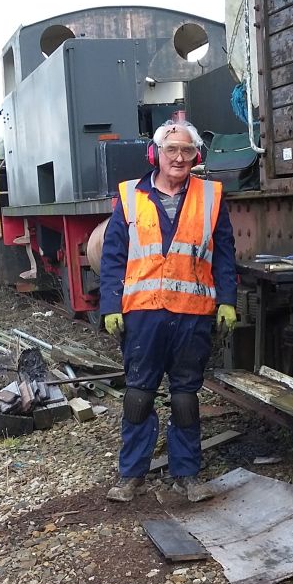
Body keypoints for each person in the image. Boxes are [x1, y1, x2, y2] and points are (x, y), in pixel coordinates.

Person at [100, 118, 238, 502]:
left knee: (185, 398)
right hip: (143, 313)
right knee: (139, 395)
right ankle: (131, 475)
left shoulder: (210, 196)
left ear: (196, 156)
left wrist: (227, 300)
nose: (179, 157)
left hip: (192, 314)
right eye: (171, 150)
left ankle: (187, 475)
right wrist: (110, 304)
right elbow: (113, 256)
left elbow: (225, 255)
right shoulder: (129, 196)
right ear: (155, 154)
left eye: (187, 151)